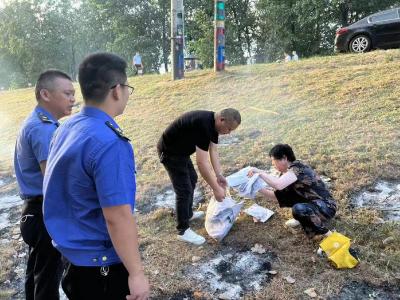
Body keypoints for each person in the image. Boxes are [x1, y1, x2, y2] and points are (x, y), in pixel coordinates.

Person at [43, 53, 150, 300]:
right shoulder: (110, 143)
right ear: (116, 90)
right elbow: (117, 217)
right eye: (127, 88)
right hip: (100, 267)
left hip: (72, 258)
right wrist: (136, 274)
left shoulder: (67, 127)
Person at [14, 70, 76, 300]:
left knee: (37, 273)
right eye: (67, 93)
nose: (73, 99)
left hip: (34, 210)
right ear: (45, 94)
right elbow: (53, 179)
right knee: (47, 280)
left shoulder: (38, 121)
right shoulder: (43, 128)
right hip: (44, 213)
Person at [157, 109, 241, 245]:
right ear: (222, 120)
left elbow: (213, 151)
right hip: (170, 152)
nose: (229, 133)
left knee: (192, 179)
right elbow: (202, 162)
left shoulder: (213, 125)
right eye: (229, 129)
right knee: (184, 190)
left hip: (181, 152)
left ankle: (188, 214)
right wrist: (215, 188)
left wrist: (219, 175)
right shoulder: (203, 125)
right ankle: (183, 230)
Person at [248, 144, 336, 239]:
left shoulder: (298, 168)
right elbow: (276, 196)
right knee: (290, 196)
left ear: (284, 158)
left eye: (274, 162)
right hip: (312, 203)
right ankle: (304, 218)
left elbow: (278, 184)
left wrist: (260, 173)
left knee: (298, 209)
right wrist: (257, 187)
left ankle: (327, 234)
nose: (273, 165)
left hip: (326, 206)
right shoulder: (288, 173)